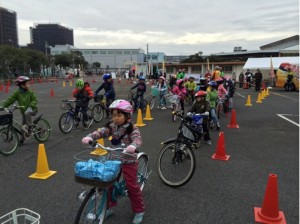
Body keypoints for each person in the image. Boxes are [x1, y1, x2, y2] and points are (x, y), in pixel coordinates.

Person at [81, 99, 145, 224]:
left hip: (129, 159)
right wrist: (90, 136)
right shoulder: (111, 126)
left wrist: (133, 145)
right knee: (108, 183)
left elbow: (137, 138)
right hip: (115, 159)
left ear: (127, 115)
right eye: (114, 115)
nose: (115, 118)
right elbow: (101, 132)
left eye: (119, 115)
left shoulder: (132, 128)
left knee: (132, 186)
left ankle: (139, 210)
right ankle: (108, 207)